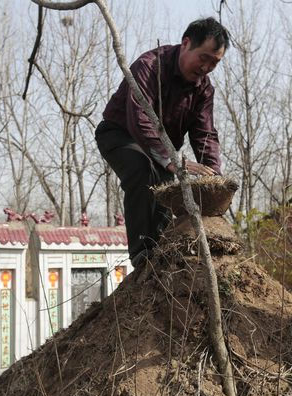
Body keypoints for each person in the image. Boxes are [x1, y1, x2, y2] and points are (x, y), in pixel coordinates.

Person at [95, 17, 229, 267]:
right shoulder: (149, 66)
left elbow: (205, 133)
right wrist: (171, 162)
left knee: (167, 195)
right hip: (121, 134)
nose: (206, 67)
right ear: (186, 43)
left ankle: (164, 256)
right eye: (204, 57)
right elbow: (140, 119)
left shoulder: (203, 89)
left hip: (162, 152)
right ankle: (142, 255)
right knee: (143, 173)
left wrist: (214, 177)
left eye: (215, 62)